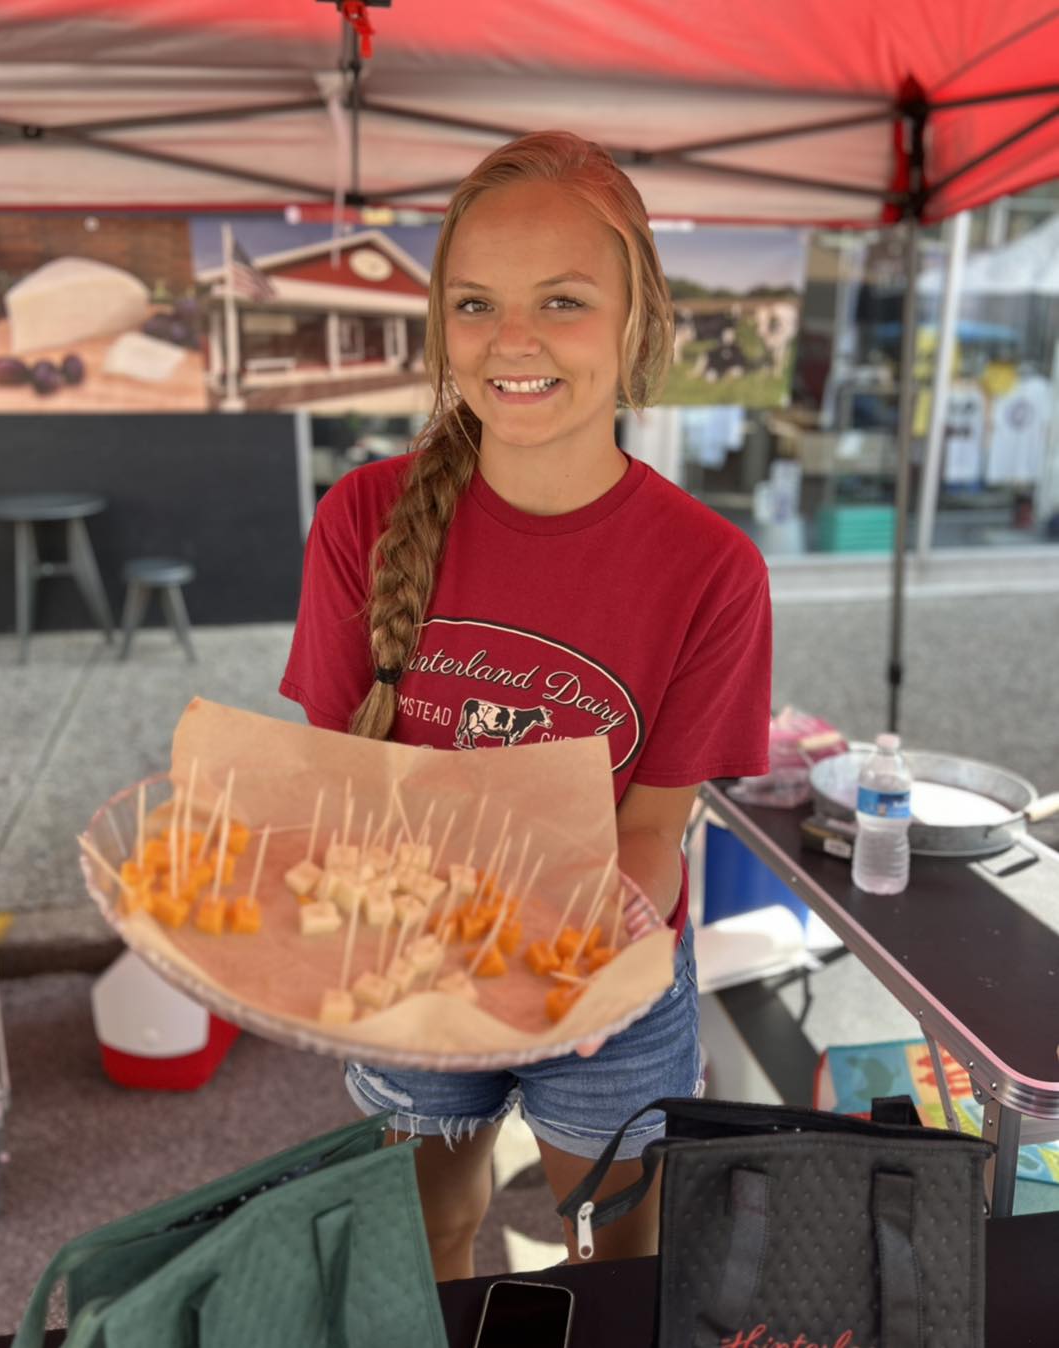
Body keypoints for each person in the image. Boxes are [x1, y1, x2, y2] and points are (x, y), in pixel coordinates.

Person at [280, 130, 771, 1279]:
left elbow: (652, 827)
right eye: (474, 303)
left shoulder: (711, 567)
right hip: (413, 970)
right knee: (427, 1238)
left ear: (637, 320)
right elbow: (337, 785)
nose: (512, 342)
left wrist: (583, 961)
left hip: (607, 976)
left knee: (616, 1263)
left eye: (561, 300)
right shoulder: (362, 515)